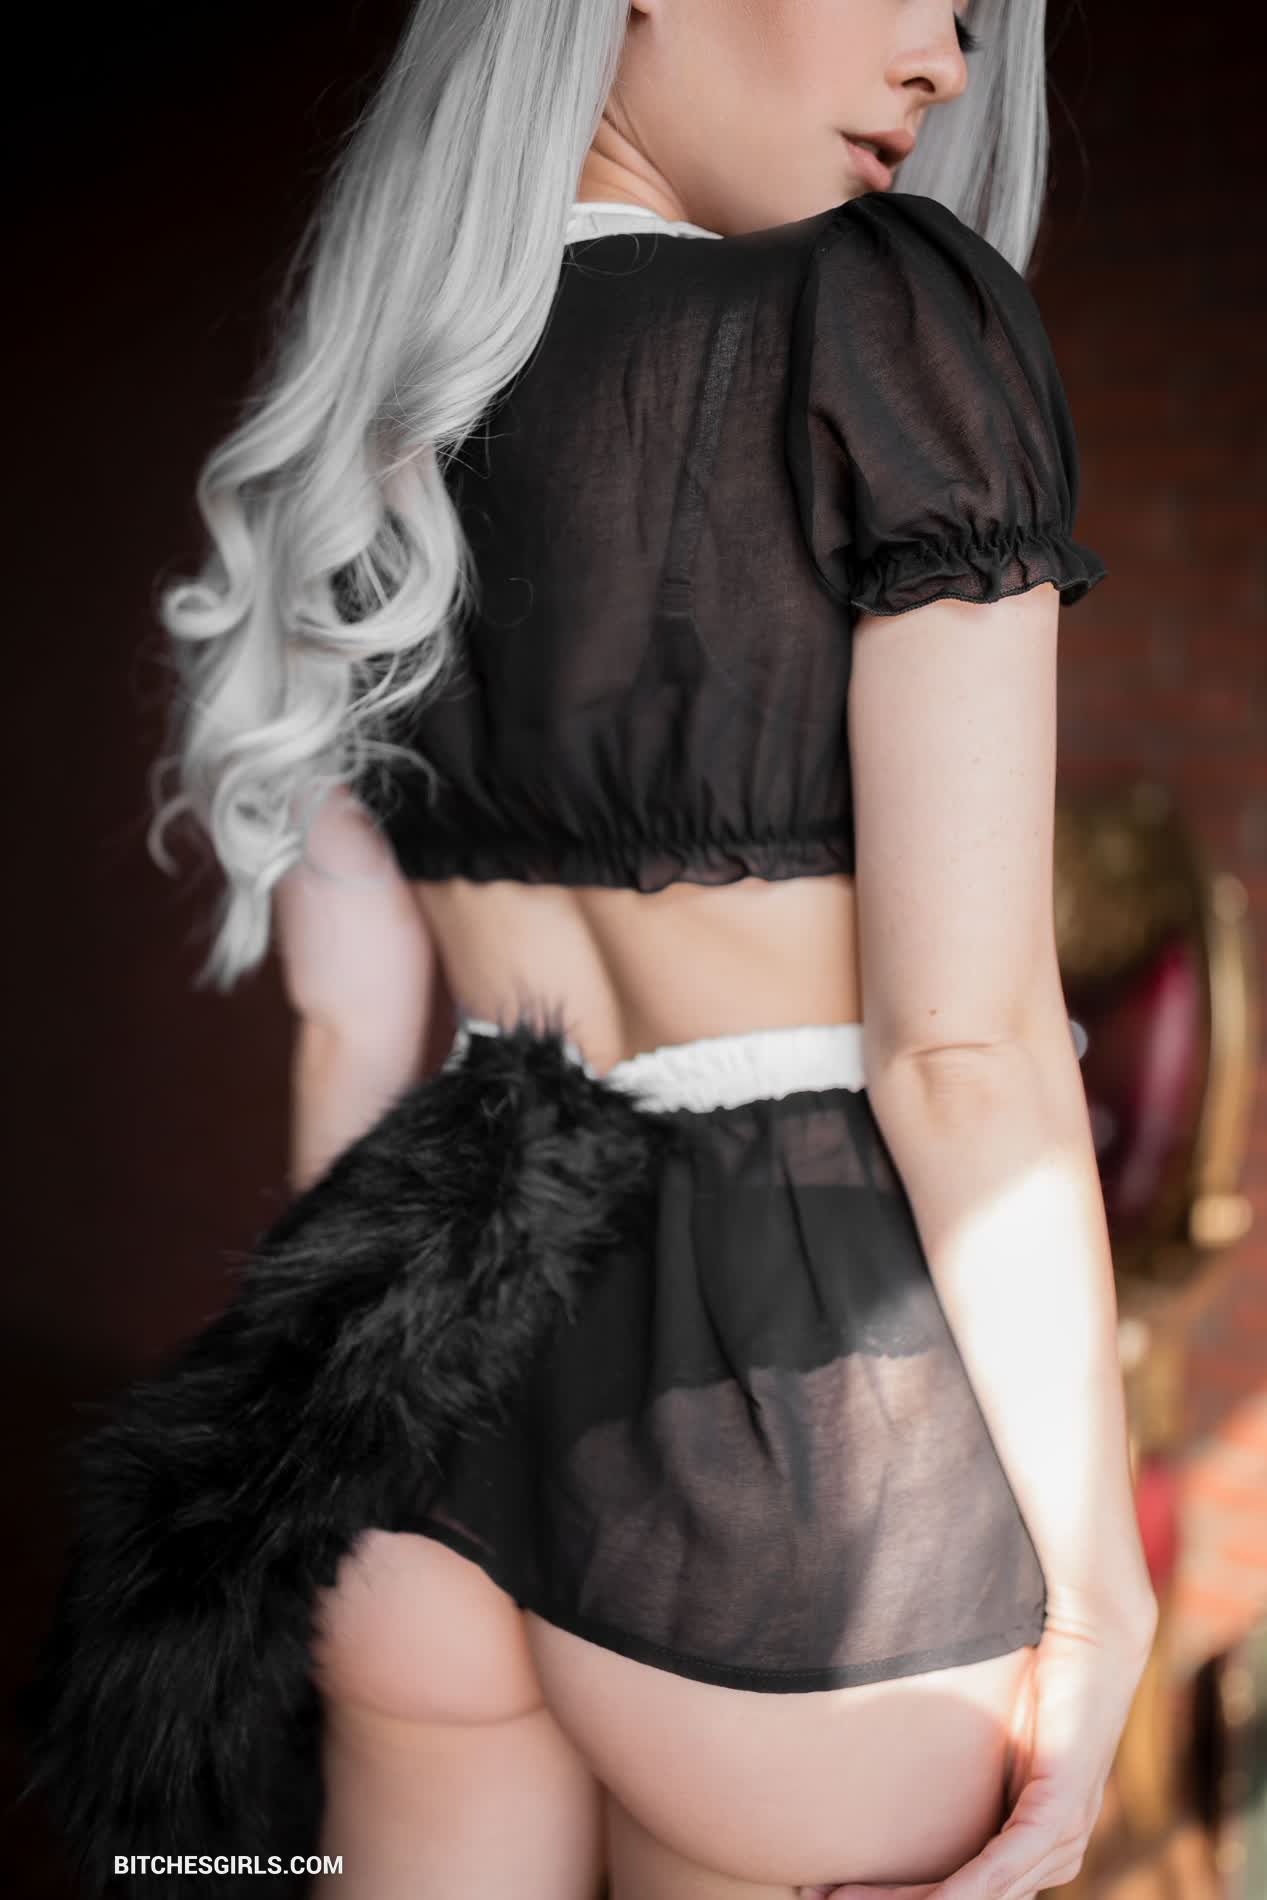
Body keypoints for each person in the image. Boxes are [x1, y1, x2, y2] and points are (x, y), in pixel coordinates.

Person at [18, 2, 1160, 1897]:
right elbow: (964, 1054)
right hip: (800, 1450)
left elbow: (350, 1018)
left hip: (432, 1389)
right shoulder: (883, 318)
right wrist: (1103, 1587)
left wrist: (344, 1425)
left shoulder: (381, 413)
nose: (945, 62)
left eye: (972, 13)